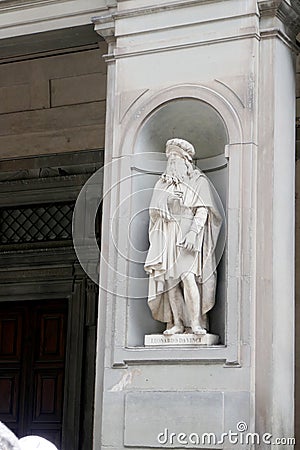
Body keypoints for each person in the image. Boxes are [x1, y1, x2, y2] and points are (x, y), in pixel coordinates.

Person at [144, 138, 222, 335]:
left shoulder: (197, 180)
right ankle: (177, 322)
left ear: (185, 160)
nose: (171, 162)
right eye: (169, 158)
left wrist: (193, 233)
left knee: (188, 278)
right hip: (167, 234)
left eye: (174, 158)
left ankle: (196, 323)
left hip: (188, 234)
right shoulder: (163, 183)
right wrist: (166, 199)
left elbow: (203, 210)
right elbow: (153, 212)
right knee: (170, 282)